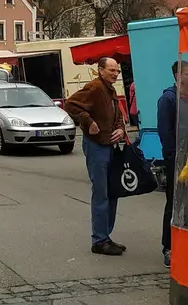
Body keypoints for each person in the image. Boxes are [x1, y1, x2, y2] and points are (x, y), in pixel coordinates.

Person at [61, 56, 129, 255]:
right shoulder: (95, 87)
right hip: (96, 146)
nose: (115, 74)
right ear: (100, 70)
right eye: (111, 70)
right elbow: (71, 104)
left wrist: (120, 129)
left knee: (112, 192)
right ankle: (99, 240)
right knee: (101, 192)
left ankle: (105, 236)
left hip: (109, 145)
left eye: (117, 71)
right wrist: (88, 122)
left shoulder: (110, 90)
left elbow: (117, 116)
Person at [157, 59, 188, 267]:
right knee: (175, 203)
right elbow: (165, 131)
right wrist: (173, 157)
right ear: (178, 76)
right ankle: (169, 247)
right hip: (177, 158)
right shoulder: (168, 99)